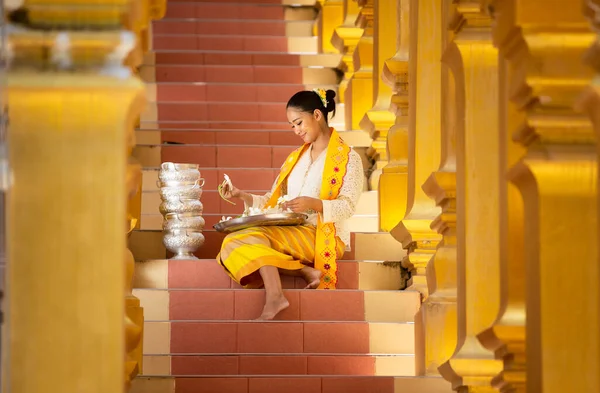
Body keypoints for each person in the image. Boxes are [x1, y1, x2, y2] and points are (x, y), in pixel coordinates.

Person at [217, 88, 364, 320]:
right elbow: (273, 202)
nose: (296, 131)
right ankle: (304, 272)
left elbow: (348, 206)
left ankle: (275, 296)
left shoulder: (348, 159)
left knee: (244, 239)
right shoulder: (296, 158)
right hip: (292, 231)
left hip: (323, 235)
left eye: (299, 123)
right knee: (230, 243)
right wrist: (241, 195)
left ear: (317, 115)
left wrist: (314, 204)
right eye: (292, 126)